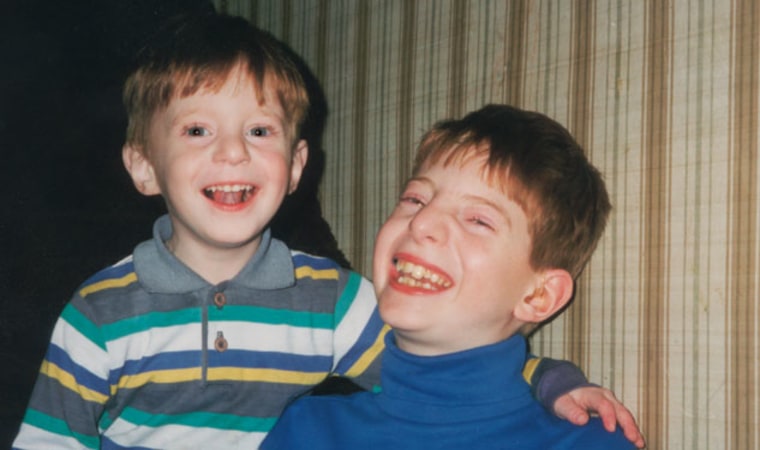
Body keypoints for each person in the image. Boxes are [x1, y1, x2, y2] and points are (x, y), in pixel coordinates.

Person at [12, 12, 641, 450]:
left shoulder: (334, 303)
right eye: (198, 130)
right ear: (145, 167)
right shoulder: (98, 312)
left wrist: (559, 383)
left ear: (296, 168)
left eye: (259, 131)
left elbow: (439, 369)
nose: (233, 153)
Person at [262, 104, 644, 449]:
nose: (423, 222)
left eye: (478, 219)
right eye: (415, 199)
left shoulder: (589, 445)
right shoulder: (305, 430)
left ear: (538, 295)